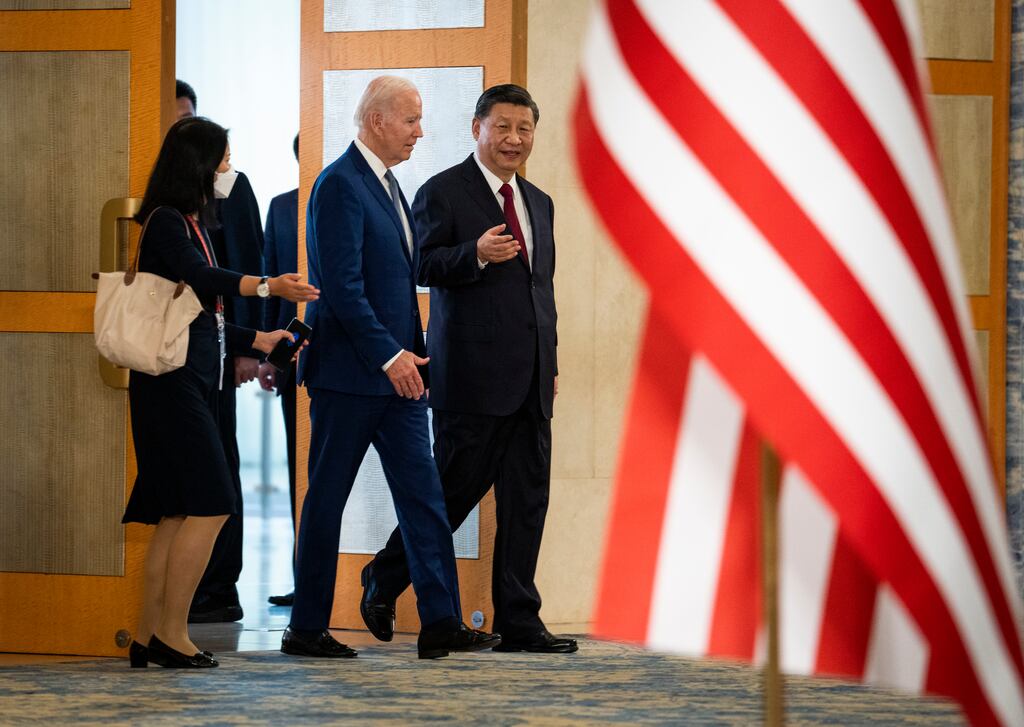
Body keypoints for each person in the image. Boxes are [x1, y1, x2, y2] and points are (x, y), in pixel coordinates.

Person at [284, 75, 500, 660]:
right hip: (351, 380)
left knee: (425, 499)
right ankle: (304, 629)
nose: (420, 131)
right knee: (327, 502)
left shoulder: (390, 186)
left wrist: (409, 357)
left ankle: (440, 623)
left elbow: (398, 288)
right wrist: (388, 355)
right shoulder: (338, 186)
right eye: (411, 120)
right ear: (377, 120)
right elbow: (344, 291)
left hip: (403, 380)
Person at [361, 84, 577, 654]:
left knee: (528, 500)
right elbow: (421, 265)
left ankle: (520, 621)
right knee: (451, 496)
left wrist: (548, 363)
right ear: (476, 128)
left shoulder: (540, 202)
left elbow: (541, 293)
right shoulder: (442, 192)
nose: (513, 140)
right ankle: (384, 575)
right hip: (472, 378)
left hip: (531, 380)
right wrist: (474, 253)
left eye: (524, 129)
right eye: (502, 127)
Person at [122, 116, 318, 668]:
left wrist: (260, 337)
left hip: (187, 377)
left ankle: (148, 637)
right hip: (172, 385)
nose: (229, 169)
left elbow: (199, 316)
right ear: (200, 164)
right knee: (211, 502)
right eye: (224, 158)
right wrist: (267, 285)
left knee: (177, 511)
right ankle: (171, 635)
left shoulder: (188, 220)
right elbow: (200, 281)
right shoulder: (167, 222)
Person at [175, 80, 267, 624]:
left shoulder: (230, 186)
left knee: (219, 464)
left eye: (186, 120)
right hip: (161, 352)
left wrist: (248, 348)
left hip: (217, 348)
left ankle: (218, 586)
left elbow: (248, 261)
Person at [259, 133, 300, 607]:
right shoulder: (281, 206)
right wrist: (272, 357)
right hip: (293, 353)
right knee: (297, 467)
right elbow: (270, 276)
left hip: (352, 357)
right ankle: (302, 576)